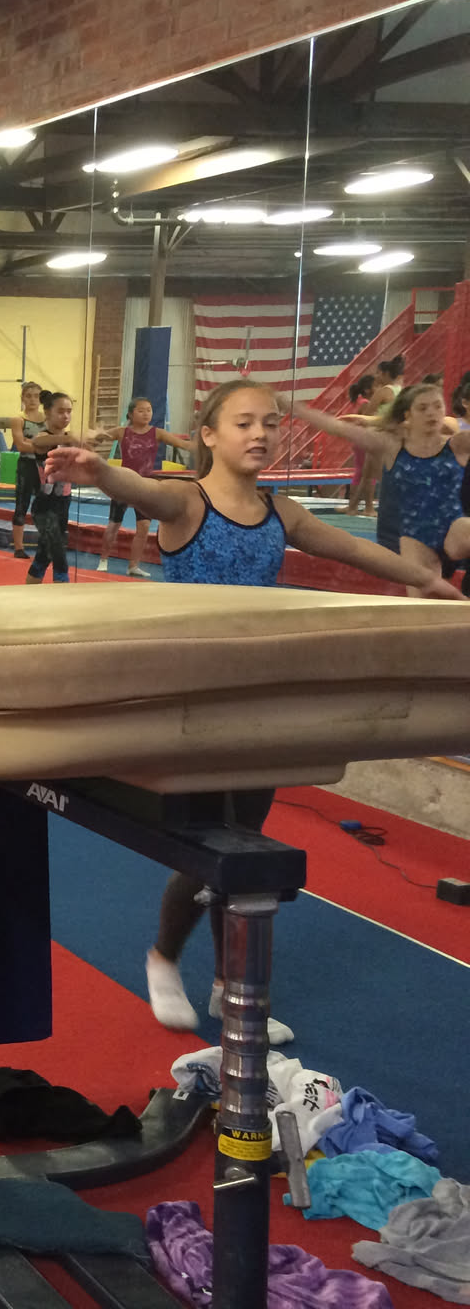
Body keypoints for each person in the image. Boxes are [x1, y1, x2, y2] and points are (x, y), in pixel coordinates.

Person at [44, 378, 461, 1044]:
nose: (261, 434)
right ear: (209, 435)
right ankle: (164, 956)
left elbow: (353, 548)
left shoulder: (281, 512)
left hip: (258, 703)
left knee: (247, 851)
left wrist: (427, 580)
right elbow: (140, 490)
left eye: (269, 422)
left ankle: (228, 984)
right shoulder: (188, 502)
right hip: (195, 704)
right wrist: (100, 472)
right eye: (243, 423)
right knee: (208, 848)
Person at [292, 383, 470, 591]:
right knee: (429, 596)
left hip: (453, 533)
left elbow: (451, 423)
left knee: (463, 527)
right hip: (415, 539)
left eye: (437, 406)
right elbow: (338, 428)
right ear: (408, 415)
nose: (431, 413)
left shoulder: (458, 443)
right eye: (422, 408)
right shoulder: (392, 445)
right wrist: (299, 410)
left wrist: (370, 420)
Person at [90, 397, 190, 576]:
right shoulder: (122, 432)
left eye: (149, 410)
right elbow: (97, 439)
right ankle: (103, 560)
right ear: (130, 414)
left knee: (143, 527)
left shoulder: (158, 433)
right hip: (123, 484)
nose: (146, 414)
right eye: (141, 410)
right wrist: (94, 437)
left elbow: (183, 444)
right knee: (114, 525)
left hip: (145, 486)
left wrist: (208, 444)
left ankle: (133, 566)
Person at [23, 391, 80, 585]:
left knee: (44, 553)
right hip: (44, 506)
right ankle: (62, 588)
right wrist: (70, 438)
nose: (66, 416)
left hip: (63, 503)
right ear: (47, 413)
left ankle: (29, 591)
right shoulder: (44, 438)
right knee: (57, 549)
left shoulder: (70, 438)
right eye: (61, 411)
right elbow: (37, 442)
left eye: (69, 412)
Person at [9, 380, 46, 558]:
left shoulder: (48, 419)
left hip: (44, 466)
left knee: (44, 505)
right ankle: (19, 548)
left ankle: (44, 543)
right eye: (29, 396)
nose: (32, 400)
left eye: (36, 396)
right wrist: (43, 445)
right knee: (21, 504)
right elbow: (21, 446)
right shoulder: (19, 419)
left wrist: (34, 443)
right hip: (26, 465)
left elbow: (57, 441)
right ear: (23, 398)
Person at [341, 377, 380, 517]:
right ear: (368, 390)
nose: (379, 389)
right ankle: (368, 507)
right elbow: (369, 421)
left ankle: (353, 505)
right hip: (364, 441)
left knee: (359, 473)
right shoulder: (366, 404)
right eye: (376, 386)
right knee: (369, 474)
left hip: (358, 441)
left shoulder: (359, 401)